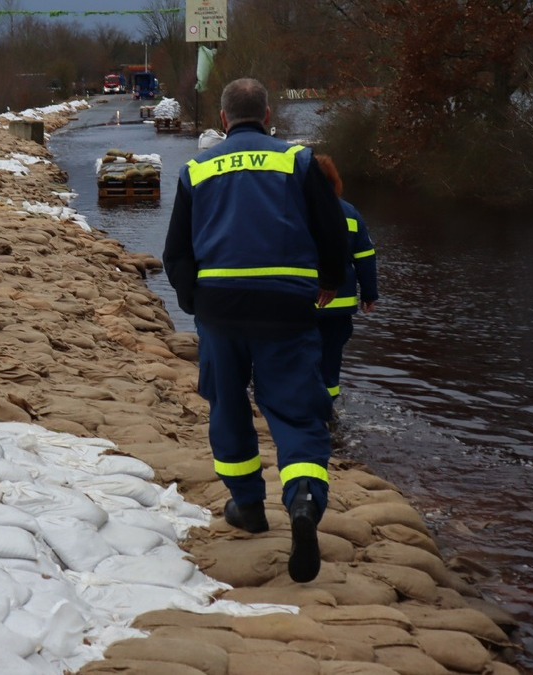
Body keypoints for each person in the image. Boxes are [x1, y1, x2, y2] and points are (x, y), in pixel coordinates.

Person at [162, 78, 349, 583]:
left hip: (220, 311)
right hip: (287, 307)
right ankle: (305, 501)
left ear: (223, 120)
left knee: (227, 405)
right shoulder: (298, 161)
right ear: (269, 116)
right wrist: (329, 283)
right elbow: (334, 233)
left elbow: (176, 253)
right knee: (296, 409)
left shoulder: (195, 170)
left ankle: (247, 506)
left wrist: (193, 303)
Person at [313, 155, 379, 410]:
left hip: (303, 301)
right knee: (331, 356)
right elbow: (365, 257)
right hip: (339, 304)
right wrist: (369, 294)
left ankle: (300, 407)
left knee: (298, 353)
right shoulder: (350, 212)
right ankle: (328, 408)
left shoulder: (293, 209)